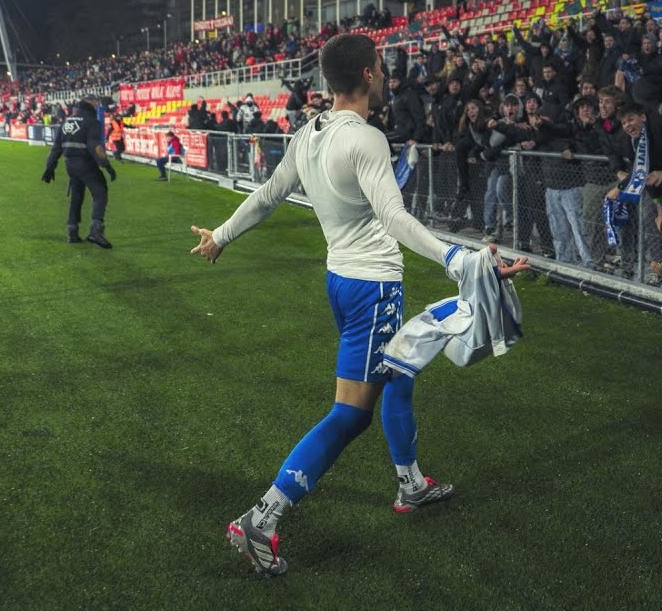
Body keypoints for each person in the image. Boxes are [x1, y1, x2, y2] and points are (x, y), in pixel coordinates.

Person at [190, 33, 529, 577]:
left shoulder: (310, 132)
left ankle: (410, 483)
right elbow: (393, 218)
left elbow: (269, 193)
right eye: (382, 65)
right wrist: (459, 259)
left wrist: (222, 236)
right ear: (371, 74)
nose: (385, 72)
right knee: (351, 414)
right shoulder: (366, 138)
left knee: (399, 374)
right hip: (373, 288)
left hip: (342, 282)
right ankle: (263, 516)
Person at [41, 99, 116, 249]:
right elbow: (94, 146)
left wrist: (50, 167)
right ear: (91, 108)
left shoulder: (66, 122)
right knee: (100, 193)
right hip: (86, 163)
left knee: (76, 196)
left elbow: (56, 147)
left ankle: (72, 231)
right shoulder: (92, 122)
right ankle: (96, 230)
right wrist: (107, 166)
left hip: (70, 164)